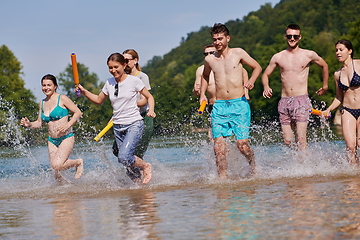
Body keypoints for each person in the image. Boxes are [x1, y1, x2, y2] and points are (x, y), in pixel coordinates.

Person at [77, 53, 155, 184]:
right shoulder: (109, 83)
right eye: (110, 68)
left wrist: (151, 110)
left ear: (124, 65)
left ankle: (146, 166)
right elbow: (98, 100)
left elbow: (149, 97)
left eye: (116, 67)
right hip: (118, 126)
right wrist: (84, 92)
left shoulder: (134, 80)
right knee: (128, 167)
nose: (113, 70)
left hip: (134, 124)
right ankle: (140, 192)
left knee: (124, 157)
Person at [199, 23, 262, 179]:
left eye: (220, 39)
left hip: (239, 104)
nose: (218, 42)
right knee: (218, 148)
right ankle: (223, 179)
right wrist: (202, 94)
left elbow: (257, 67)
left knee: (242, 146)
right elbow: (205, 76)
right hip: (219, 107)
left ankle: (253, 165)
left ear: (228, 38)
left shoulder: (238, 53)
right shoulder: (210, 60)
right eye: (215, 40)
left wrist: (252, 81)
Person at [262, 24, 328, 151]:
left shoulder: (308, 54)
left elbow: (324, 65)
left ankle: (305, 167)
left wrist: (325, 86)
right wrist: (266, 86)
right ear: (285, 37)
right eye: (289, 36)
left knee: (301, 139)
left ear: (300, 37)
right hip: (284, 101)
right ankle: (302, 160)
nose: (292, 38)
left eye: (295, 36)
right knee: (287, 141)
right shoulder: (278, 56)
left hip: (301, 101)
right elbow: (265, 74)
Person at [20, 74, 84, 181]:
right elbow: (40, 123)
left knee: (57, 165)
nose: (46, 88)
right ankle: (63, 195)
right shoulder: (42, 103)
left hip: (66, 137)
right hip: (52, 140)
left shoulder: (62, 98)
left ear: (55, 86)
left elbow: (78, 112)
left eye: (49, 85)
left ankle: (78, 162)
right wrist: (29, 124)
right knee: (56, 173)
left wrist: (68, 125)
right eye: (44, 85)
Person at [111, 49, 154, 181]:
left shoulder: (141, 77)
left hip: (142, 118)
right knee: (117, 151)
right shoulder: (119, 79)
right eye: (123, 60)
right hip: (124, 119)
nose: (125, 62)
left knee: (131, 153)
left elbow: (144, 100)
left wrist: (128, 104)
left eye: (127, 60)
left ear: (135, 61)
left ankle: (143, 176)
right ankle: (137, 183)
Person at [322, 39, 360, 165]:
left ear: (350, 51)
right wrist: (328, 109)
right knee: (350, 146)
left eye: (341, 50)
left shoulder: (359, 64)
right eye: (336, 50)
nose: (338, 53)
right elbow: (339, 97)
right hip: (348, 110)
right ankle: (354, 176)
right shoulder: (337, 74)